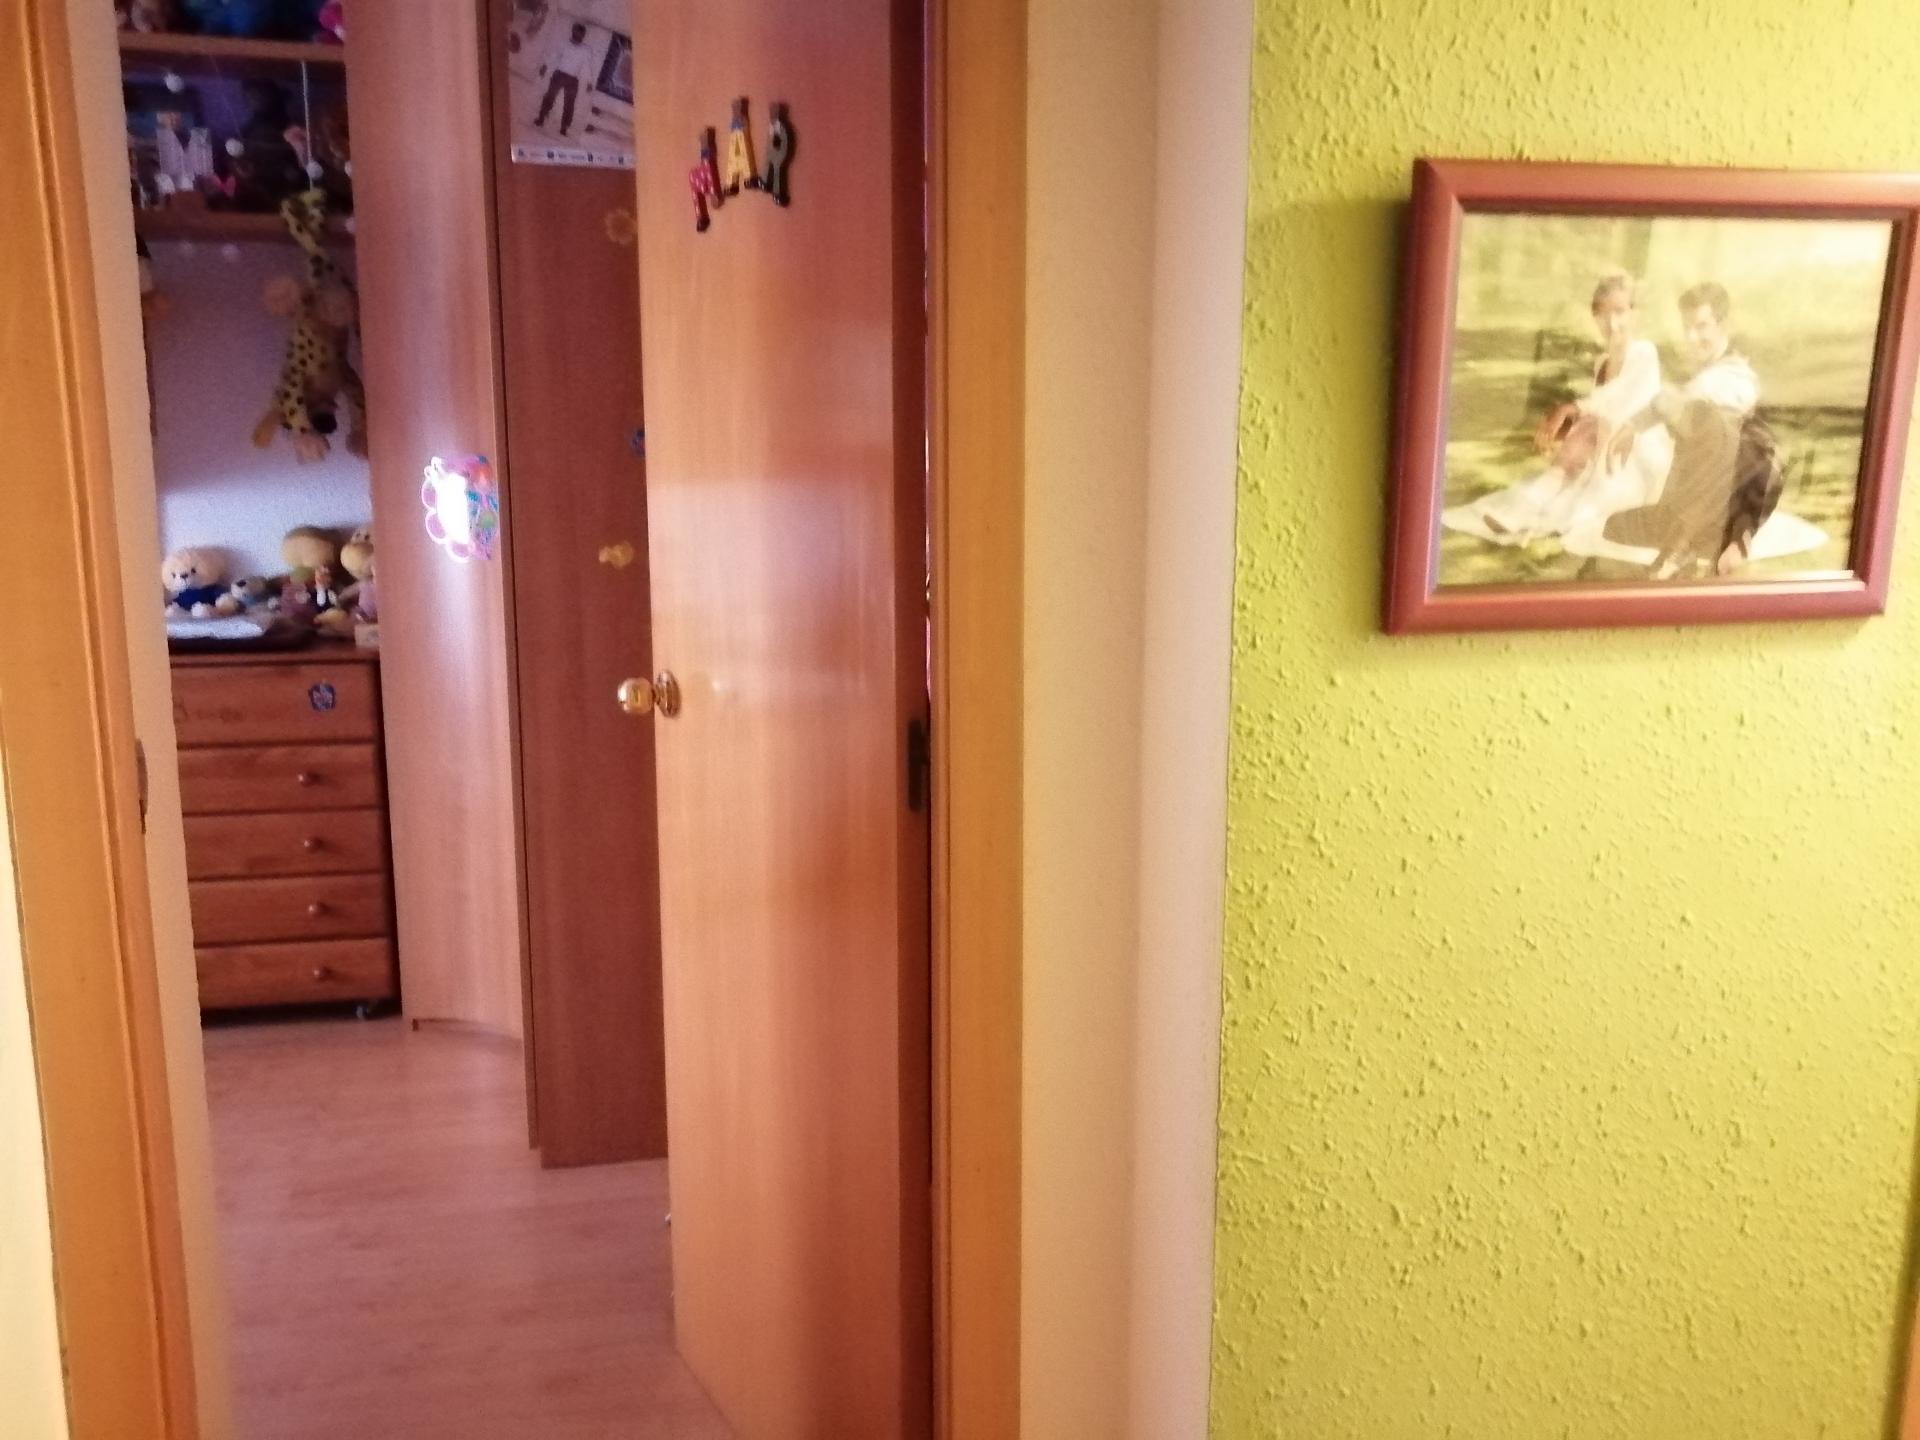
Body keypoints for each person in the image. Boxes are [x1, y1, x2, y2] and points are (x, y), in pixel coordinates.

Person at [1594, 282, 1823, 577]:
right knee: (1614, 526)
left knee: (1714, 422)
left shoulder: (1736, 378)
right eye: (1687, 328)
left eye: (1701, 327)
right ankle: (1694, 538)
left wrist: (1638, 422)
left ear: (1723, 325)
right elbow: (1677, 400)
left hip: (1732, 504)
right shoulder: (1704, 376)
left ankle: (1689, 544)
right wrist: (1633, 424)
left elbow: (1689, 400)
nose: (1692, 337)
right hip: (1690, 503)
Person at [1443, 274, 1664, 547]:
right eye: (1603, 314)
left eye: (1620, 312)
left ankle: (1542, 518)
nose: (1611, 322)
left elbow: (1620, 398)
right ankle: (1514, 516)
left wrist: (1574, 410)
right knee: (1565, 463)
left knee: (1583, 485)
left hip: (1630, 455)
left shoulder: (1644, 353)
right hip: (1599, 445)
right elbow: (1599, 408)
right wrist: (1569, 427)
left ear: (1634, 313)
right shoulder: (1603, 362)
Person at [534, 23, 593, 138]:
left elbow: (587, 66)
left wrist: (589, 82)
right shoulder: (563, 43)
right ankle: (541, 118)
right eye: (577, 32)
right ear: (573, 31)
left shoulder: (586, 50)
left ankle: (564, 127)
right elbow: (554, 55)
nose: (580, 35)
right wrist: (545, 66)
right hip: (559, 75)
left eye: (582, 34)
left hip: (573, 79)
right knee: (549, 96)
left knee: (569, 104)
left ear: (583, 35)